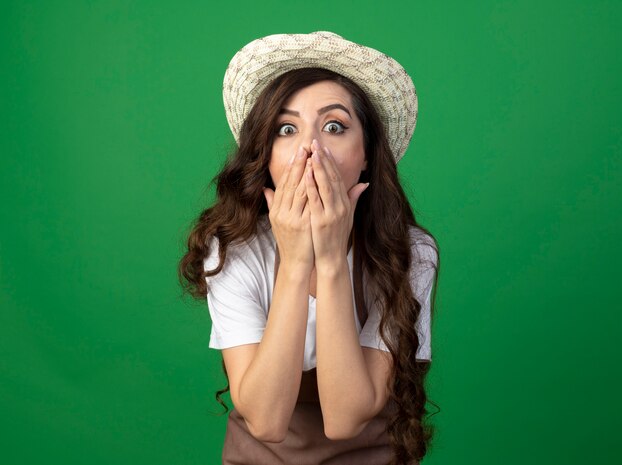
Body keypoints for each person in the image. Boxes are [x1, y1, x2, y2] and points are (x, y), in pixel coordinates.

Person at [178, 31, 440, 465]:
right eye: (286, 129)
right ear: (265, 156)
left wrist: (333, 259)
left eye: (334, 127)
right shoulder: (233, 250)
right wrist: (297, 262)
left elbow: (345, 419)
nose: (309, 149)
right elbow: (264, 421)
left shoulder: (411, 253)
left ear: (367, 154)